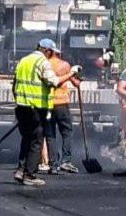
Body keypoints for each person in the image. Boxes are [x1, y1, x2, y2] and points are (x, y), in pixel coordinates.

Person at [13, 39, 81, 186]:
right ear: (47, 50)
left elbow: (15, 83)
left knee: (26, 138)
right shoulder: (43, 62)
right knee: (36, 140)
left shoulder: (23, 61)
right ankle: (29, 175)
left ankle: (20, 169)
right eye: (51, 51)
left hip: (22, 106)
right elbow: (53, 82)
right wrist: (71, 73)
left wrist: (19, 101)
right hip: (36, 108)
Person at [47, 47, 80, 174]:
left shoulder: (44, 65)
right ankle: (66, 161)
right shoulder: (64, 65)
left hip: (47, 103)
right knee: (66, 132)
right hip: (61, 103)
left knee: (50, 135)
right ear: (57, 53)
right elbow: (75, 83)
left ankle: (53, 165)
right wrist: (78, 78)